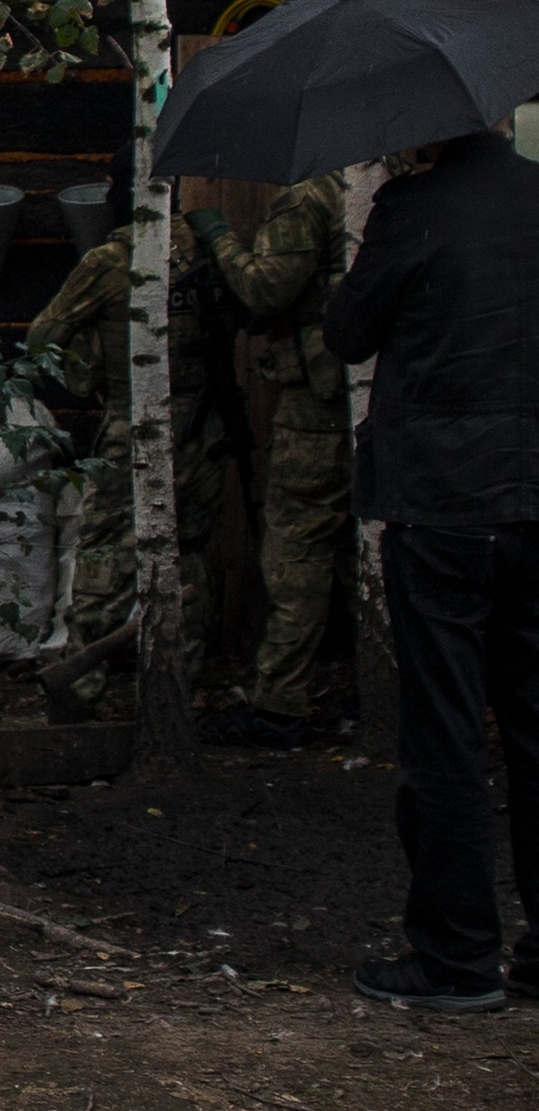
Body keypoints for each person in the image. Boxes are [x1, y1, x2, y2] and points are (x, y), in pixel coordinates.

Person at [322, 122, 539, 1012]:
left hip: (443, 504)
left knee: (446, 730)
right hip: (536, 496)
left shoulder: (412, 209)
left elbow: (347, 332)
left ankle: (457, 955)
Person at [25, 215, 238, 711]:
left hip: (135, 424)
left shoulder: (109, 261)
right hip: (206, 424)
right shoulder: (212, 251)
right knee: (188, 549)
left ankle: (80, 686)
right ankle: (177, 685)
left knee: (103, 549)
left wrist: (91, 369)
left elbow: (43, 336)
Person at [198, 172, 350, 746]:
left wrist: (219, 239)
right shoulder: (397, 181)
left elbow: (265, 289)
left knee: (298, 546)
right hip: (390, 398)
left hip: (318, 404)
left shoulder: (313, 192)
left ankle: (281, 702)